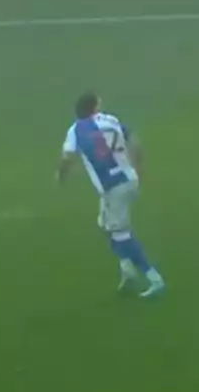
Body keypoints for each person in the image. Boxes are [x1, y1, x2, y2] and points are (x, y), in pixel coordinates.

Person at [57, 92, 165, 298]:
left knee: (122, 235)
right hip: (127, 180)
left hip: (113, 188)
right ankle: (127, 269)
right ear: (94, 107)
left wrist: (60, 176)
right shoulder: (111, 119)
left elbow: (67, 158)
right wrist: (137, 168)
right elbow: (135, 143)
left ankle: (154, 278)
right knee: (105, 226)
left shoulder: (75, 130)